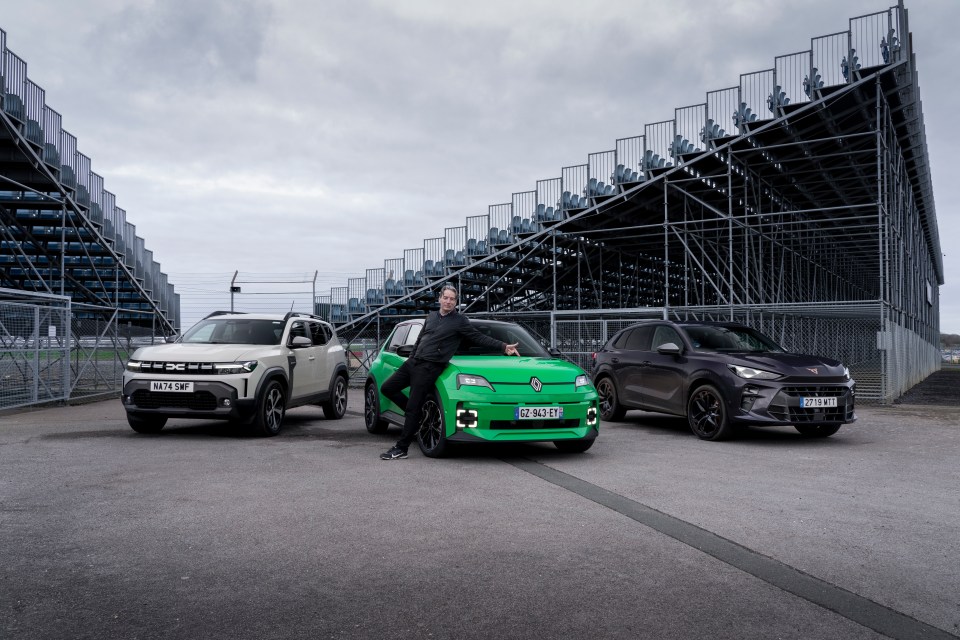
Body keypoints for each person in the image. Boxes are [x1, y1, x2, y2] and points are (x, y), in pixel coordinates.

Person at [380, 284, 519, 460]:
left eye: (452, 299)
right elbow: (421, 338)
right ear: (440, 299)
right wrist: (412, 357)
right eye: (445, 298)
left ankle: (402, 448)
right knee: (387, 388)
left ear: (456, 302)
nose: (448, 301)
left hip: (430, 367)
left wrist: (503, 346)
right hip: (414, 362)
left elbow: (478, 337)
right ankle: (420, 416)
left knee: (413, 408)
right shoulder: (430, 317)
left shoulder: (459, 321)